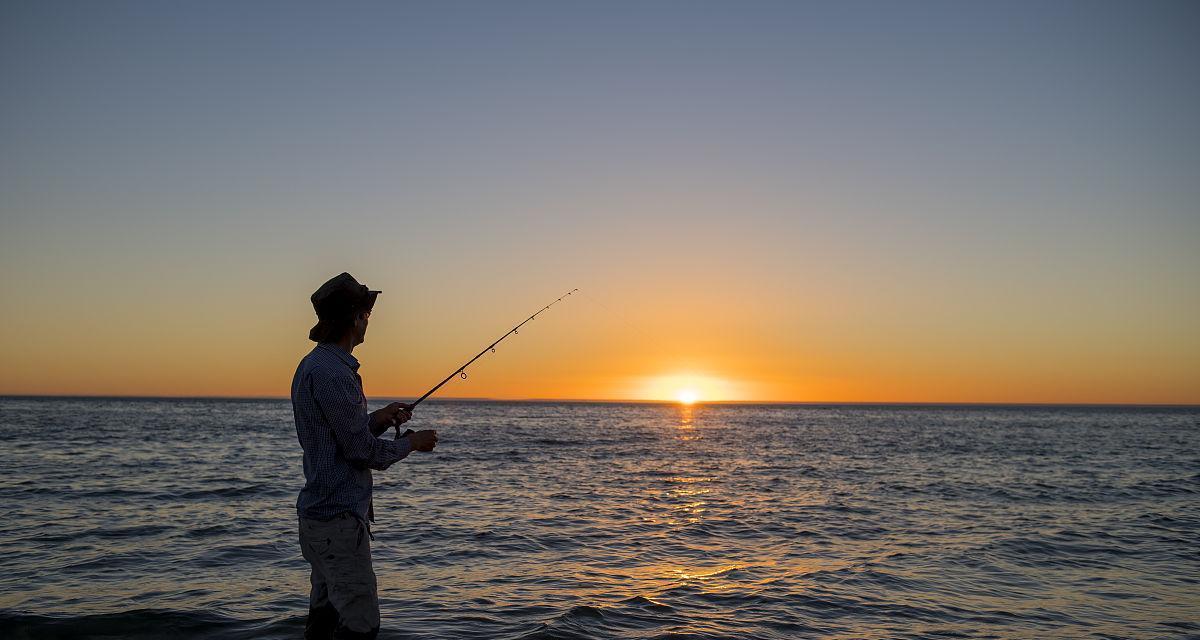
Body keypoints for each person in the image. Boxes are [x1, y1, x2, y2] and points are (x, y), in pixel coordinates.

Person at [291, 272, 438, 639]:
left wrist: (380, 418)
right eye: (366, 314)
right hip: (338, 522)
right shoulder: (334, 374)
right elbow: (361, 452)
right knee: (361, 626)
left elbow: (340, 438)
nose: (368, 321)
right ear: (354, 318)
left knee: (323, 622)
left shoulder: (314, 366)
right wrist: (412, 443)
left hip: (319, 518)